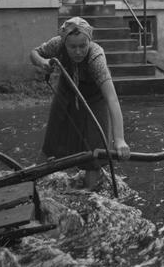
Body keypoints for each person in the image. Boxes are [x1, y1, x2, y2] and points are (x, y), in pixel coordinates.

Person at [30, 16, 130, 189]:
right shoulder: (57, 44)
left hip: (94, 98)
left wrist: (119, 139)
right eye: (73, 47)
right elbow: (34, 53)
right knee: (52, 140)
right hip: (66, 91)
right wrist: (42, 62)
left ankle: (90, 195)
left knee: (94, 150)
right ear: (64, 43)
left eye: (82, 46)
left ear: (89, 42)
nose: (78, 51)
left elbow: (112, 99)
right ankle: (33, 184)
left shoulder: (95, 58)